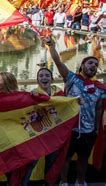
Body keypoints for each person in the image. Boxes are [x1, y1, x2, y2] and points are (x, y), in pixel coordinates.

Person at [44, 37, 105, 186]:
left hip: (88, 131)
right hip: (70, 128)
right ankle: (64, 182)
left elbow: (98, 109)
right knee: (65, 157)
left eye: (96, 65)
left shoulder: (99, 87)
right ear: (82, 65)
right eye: (90, 63)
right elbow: (58, 62)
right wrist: (51, 46)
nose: (94, 66)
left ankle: (80, 181)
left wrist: (96, 129)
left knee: (83, 159)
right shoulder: (71, 79)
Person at [21, 68, 65, 185]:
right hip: (38, 135)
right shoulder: (34, 93)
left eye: (47, 75)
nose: (44, 78)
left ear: (52, 78)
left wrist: (76, 101)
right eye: (41, 76)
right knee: (31, 163)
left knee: (51, 164)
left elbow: (66, 105)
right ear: (37, 80)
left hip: (53, 135)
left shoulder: (59, 92)